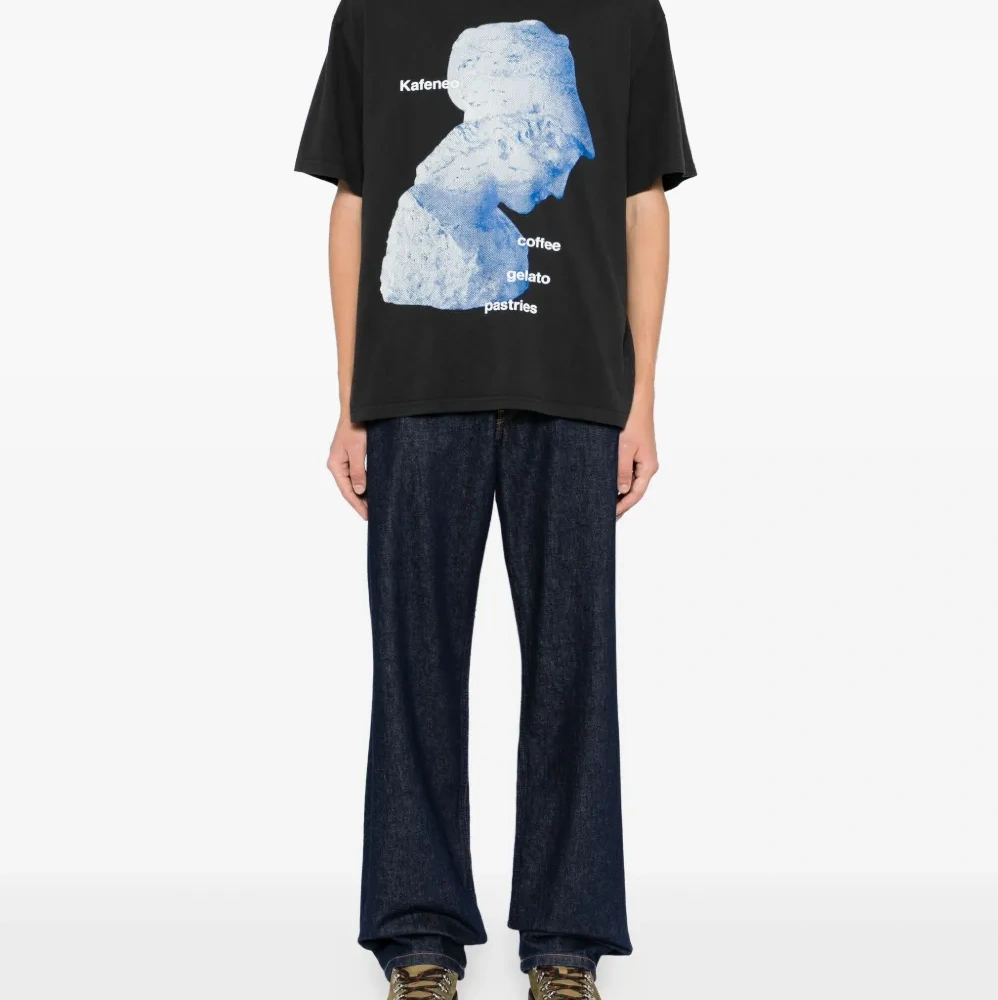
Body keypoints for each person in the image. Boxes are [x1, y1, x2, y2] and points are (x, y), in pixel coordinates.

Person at [295, 1, 695, 997]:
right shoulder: (376, 10)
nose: (568, 171)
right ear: (510, 123)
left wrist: (642, 398)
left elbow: (643, 201)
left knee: (574, 667)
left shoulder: (625, 11)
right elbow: (353, 200)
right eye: (558, 141)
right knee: (414, 665)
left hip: (577, 394)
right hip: (414, 395)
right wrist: (350, 400)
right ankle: (417, 936)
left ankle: (566, 941)